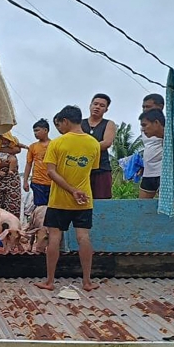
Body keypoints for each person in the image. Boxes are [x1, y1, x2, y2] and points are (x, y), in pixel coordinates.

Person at [35, 106, 101, 293]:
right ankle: (87, 281)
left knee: (54, 237)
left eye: (60, 124)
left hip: (59, 200)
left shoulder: (57, 143)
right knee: (84, 237)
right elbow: (91, 170)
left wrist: (71, 190)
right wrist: (78, 190)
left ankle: (49, 281)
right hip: (84, 199)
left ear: (65, 121)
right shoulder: (94, 143)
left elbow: (50, 172)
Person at [81, 93, 116, 200]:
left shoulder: (109, 124)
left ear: (106, 109)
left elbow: (106, 143)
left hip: (102, 169)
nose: (97, 107)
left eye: (102, 105)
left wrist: (85, 148)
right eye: (95, 104)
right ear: (90, 105)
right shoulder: (80, 124)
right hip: (81, 169)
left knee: (102, 202)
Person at [23, 119, 53, 207]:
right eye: (34, 131)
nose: (35, 133)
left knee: (52, 208)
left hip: (53, 182)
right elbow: (28, 164)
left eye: (37, 130)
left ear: (46, 130)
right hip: (38, 182)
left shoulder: (54, 145)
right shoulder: (33, 147)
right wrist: (25, 181)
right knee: (40, 208)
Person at [138, 109, 165, 198]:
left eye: (145, 125)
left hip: (164, 175)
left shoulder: (172, 139)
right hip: (148, 173)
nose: (142, 129)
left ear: (156, 123)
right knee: (142, 206)